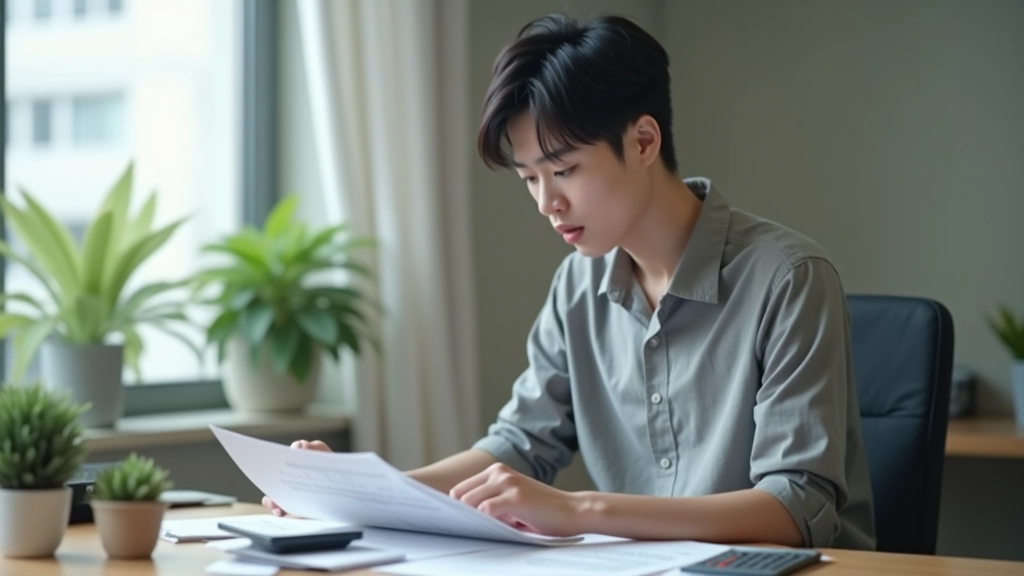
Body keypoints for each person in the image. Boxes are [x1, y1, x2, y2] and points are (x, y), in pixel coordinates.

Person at [265, 13, 876, 550]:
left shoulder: (789, 279)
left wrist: (578, 510)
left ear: (643, 141)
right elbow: (520, 444)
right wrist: (356, 491)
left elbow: (798, 506)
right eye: (530, 178)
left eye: (564, 170)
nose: (546, 203)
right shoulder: (577, 287)